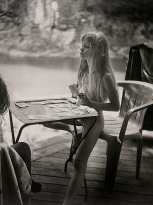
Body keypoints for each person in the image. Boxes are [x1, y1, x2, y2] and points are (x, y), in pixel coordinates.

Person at [45, 31, 120, 204]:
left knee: (79, 162)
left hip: (94, 119)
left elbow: (115, 106)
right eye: (82, 45)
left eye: (86, 46)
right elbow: (83, 98)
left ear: (99, 51)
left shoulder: (105, 76)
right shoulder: (84, 70)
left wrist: (92, 103)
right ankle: (72, 130)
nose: (81, 48)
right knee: (46, 119)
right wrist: (77, 95)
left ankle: (67, 203)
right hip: (81, 113)